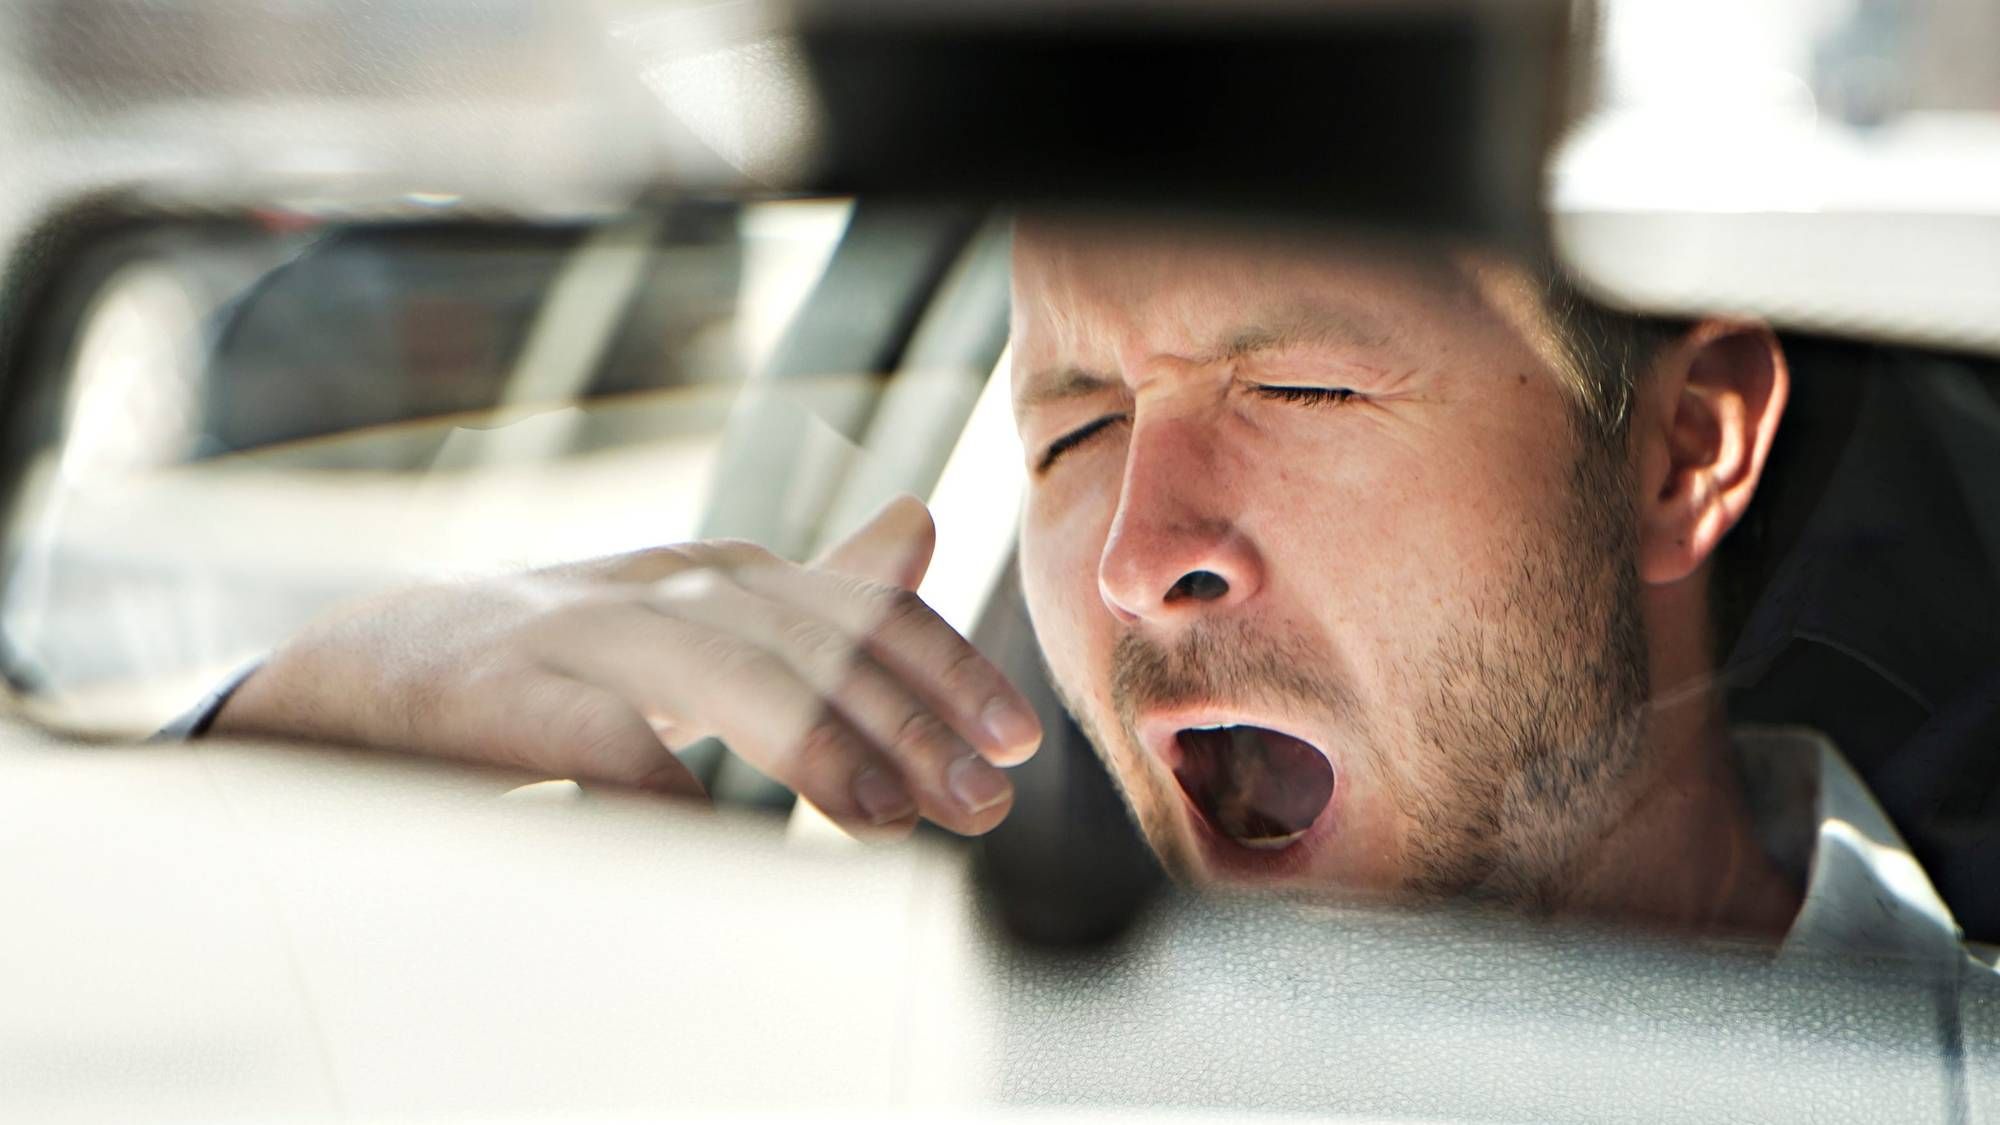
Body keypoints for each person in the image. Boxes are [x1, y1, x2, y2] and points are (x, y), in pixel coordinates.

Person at [180, 216, 1975, 962]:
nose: (1132, 550)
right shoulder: (928, 1043)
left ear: (1684, 451)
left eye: (1303, 388)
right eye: (1076, 427)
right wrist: (317, 726)